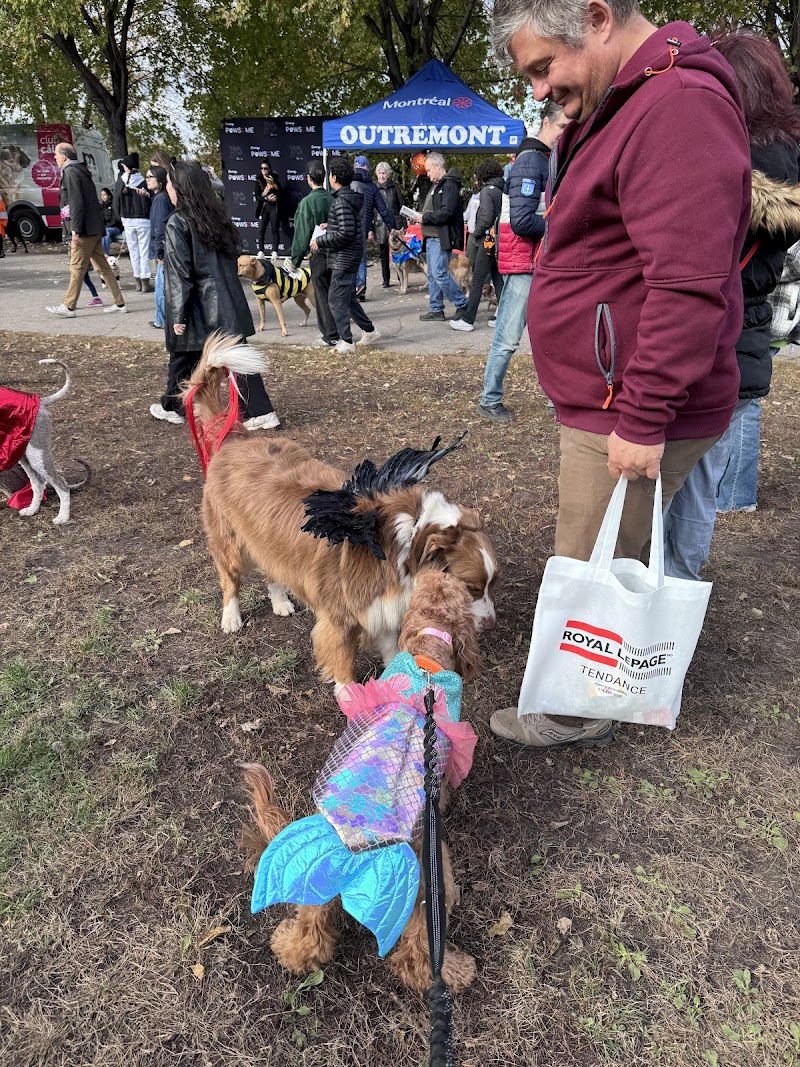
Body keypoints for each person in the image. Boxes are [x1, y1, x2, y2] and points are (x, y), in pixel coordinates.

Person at [488, 0, 750, 748]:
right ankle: (601, 681)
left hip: (625, 402)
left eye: (544, 67)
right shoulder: (634, 99)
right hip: (613, 391)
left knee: (590, 555)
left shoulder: (675, 106)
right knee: (611, 545)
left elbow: (688, 285)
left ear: (597, 18)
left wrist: (642, 415)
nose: (537, 91)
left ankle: (574, 707)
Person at [663, 30, 800, 579]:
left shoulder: (722, 153)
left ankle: (648, 592)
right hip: (749, 330)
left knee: (668, 482)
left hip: (699, 336)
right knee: (706, 480)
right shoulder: (790, 163)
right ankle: (683, 590)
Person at [153, 159, 278, 429]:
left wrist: (177, 314)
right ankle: (175, 405)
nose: (167, 191)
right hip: (225, 300)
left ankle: (255, 412)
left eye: (169, 186)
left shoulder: (178, 222)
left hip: (199, 306)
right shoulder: (217, 217)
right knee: (209, 356)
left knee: (186, 352)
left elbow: (179, 275)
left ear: (181, 189)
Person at [477, 102, 569, 422]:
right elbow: (522, 222)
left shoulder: (542, 160)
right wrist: (561, 222)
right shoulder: (532, 163)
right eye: (561, 128)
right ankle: (489, 400)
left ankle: (555, 400)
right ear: (545, 123)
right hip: (526, 266)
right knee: (507, 338)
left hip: (536, 264)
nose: (564, 135)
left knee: (549, 337)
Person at [45, 143, 126, 318]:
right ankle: (119, 303)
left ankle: (69, 306)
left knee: (76, 267)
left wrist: (75, 229)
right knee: (103, 268)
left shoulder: (70, 172)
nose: (55, 158)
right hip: (94, 228)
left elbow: (76, 202)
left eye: (56, 155)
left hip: (85, 230)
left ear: (64, 157)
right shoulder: (81, 170)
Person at [311, 157, 381, 354]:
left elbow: (345, 234)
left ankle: (347, 342)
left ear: (333, 177)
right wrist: (330, 226)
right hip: (350, 256)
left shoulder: (341, 201)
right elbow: (346, 226)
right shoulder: (349, 198)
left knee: (335, 300)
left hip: (344, 258)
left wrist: (320, 241)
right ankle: (370, 331)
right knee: (348, 299)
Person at [451, 160, 505, 333]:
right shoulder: (500, 190)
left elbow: (486, 217)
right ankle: (502, 316)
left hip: (487, 238)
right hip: (497, 237)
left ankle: (468, 320)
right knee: (497, 278)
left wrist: (476, 232)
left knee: (478, 279)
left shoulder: (486, 192)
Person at [290, 160, 338, 347]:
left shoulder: (307, 203)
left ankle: (330, 334)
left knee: (322, 295)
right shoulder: (334, 199)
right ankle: (339, 332)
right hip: (337, 252)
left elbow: (302, 234)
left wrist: (295, 259)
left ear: (308, 179)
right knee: (336, 294)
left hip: (318, 254)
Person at [418, 153, 468, 322]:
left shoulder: (449, 185)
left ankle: (462, 304)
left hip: (440, 236)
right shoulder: (439, 185)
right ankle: (436, 308)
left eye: (429, 170)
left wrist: (425, 218)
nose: (428, 174)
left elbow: (446, 212)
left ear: (438, 167)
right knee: (432, 274)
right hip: (433, 236)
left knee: (439, 273)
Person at [351, 155, 395, 300]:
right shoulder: (371, 187)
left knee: (349, 260)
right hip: (362, 229)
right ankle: (361, 290)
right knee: (362, 260)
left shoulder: (347, 183)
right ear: (367, 168)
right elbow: (383, 210)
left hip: (347, 227)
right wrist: (392, 227)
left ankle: (351, 290)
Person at [115, 153, 152, 292]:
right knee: (144, 252)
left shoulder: (120, 182)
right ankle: (145, 281)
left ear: (125, 166)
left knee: (133, 252)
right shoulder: (144, 181)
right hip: (143, 220)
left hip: (127, 221)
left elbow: (116, 202)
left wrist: (120, 218)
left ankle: (137, 280)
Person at [145, 164, 174, 330]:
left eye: (150, 177)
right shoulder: (161, 198)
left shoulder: (161, 200)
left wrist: (160, 252)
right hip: (166, 247)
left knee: (161, 287)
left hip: (164, 249)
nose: (147, 180)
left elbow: (160, 227)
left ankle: (161, 319)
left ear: (160, 180)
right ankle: (161, 317)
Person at [374, 162, 404, 288]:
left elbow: (401, 205)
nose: (382, 176)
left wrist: (403, 223)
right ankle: (386, 280)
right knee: (383, 253)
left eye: (384, 173)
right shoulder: (373, 188)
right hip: (380, 223)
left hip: (395, 222)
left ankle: (401, 278)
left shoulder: (394, 187)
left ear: (388, 174)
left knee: (399, 251)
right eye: (380, 173)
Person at [254, 160, 281, 258]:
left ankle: (275, 252)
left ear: (269, 169)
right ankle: (261, 251)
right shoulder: (258, 180)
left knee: (275, 229)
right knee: (261, 229)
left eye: (265, 168)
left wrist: (275, 190)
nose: (263, 170)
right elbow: (257, 196)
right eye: (261, 168)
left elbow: (281, 193)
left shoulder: (275, 178)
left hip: (274, 207)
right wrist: (265, 196)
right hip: (264, 207)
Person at [463, 179, 481, 268]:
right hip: (472, 234)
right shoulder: (474, 196)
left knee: (484, 264)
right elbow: (468, 213)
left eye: (477, 179)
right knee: (470, 262)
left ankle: (486, 282)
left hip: (484, 235)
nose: (475, 182)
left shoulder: (489, 194)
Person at [100, 187, 123, 256]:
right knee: (104, 233)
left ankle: (106, 254)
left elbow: (116, 219)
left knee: (106, 232)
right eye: (102, 195)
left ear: (109, 196)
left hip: (115, 228)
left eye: (104, 195)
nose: (103, 197)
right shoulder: (101, 206)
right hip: (105, 227)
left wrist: (108, 225)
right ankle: (103, 253)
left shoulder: (114, 205)